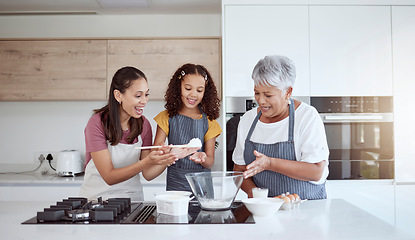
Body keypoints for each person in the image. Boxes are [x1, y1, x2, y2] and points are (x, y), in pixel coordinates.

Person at [232, 55, 329, 200]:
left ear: (288, 92)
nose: (261, 101)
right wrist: (259, 198)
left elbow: (315, 172)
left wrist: (270, 163)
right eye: (257, 93)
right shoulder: (248, 120)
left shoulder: (307, 117)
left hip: (307, 210)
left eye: (268, 95)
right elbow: (238, 171)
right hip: (263, 212)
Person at [79, 66, 178, 201]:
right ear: (118, 95)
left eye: (146, 94)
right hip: (97, 202)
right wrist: (147, 162)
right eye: (138, 95)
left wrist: (168, 158)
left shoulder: (144, 125)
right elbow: (109, 177)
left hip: (132, 202)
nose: (144, 101)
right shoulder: (97, 123)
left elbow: (148, 174)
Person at [152, 63, 222, 191]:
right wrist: (165, 152)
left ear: (205, 92)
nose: (193, 94)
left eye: (199, 90)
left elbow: (210, 161)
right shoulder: (166, 117)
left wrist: (203, 158)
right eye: (188, 88)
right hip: (176, 184)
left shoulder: (210, 122)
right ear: (179, 88)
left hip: (203, 187)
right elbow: (156, 154)